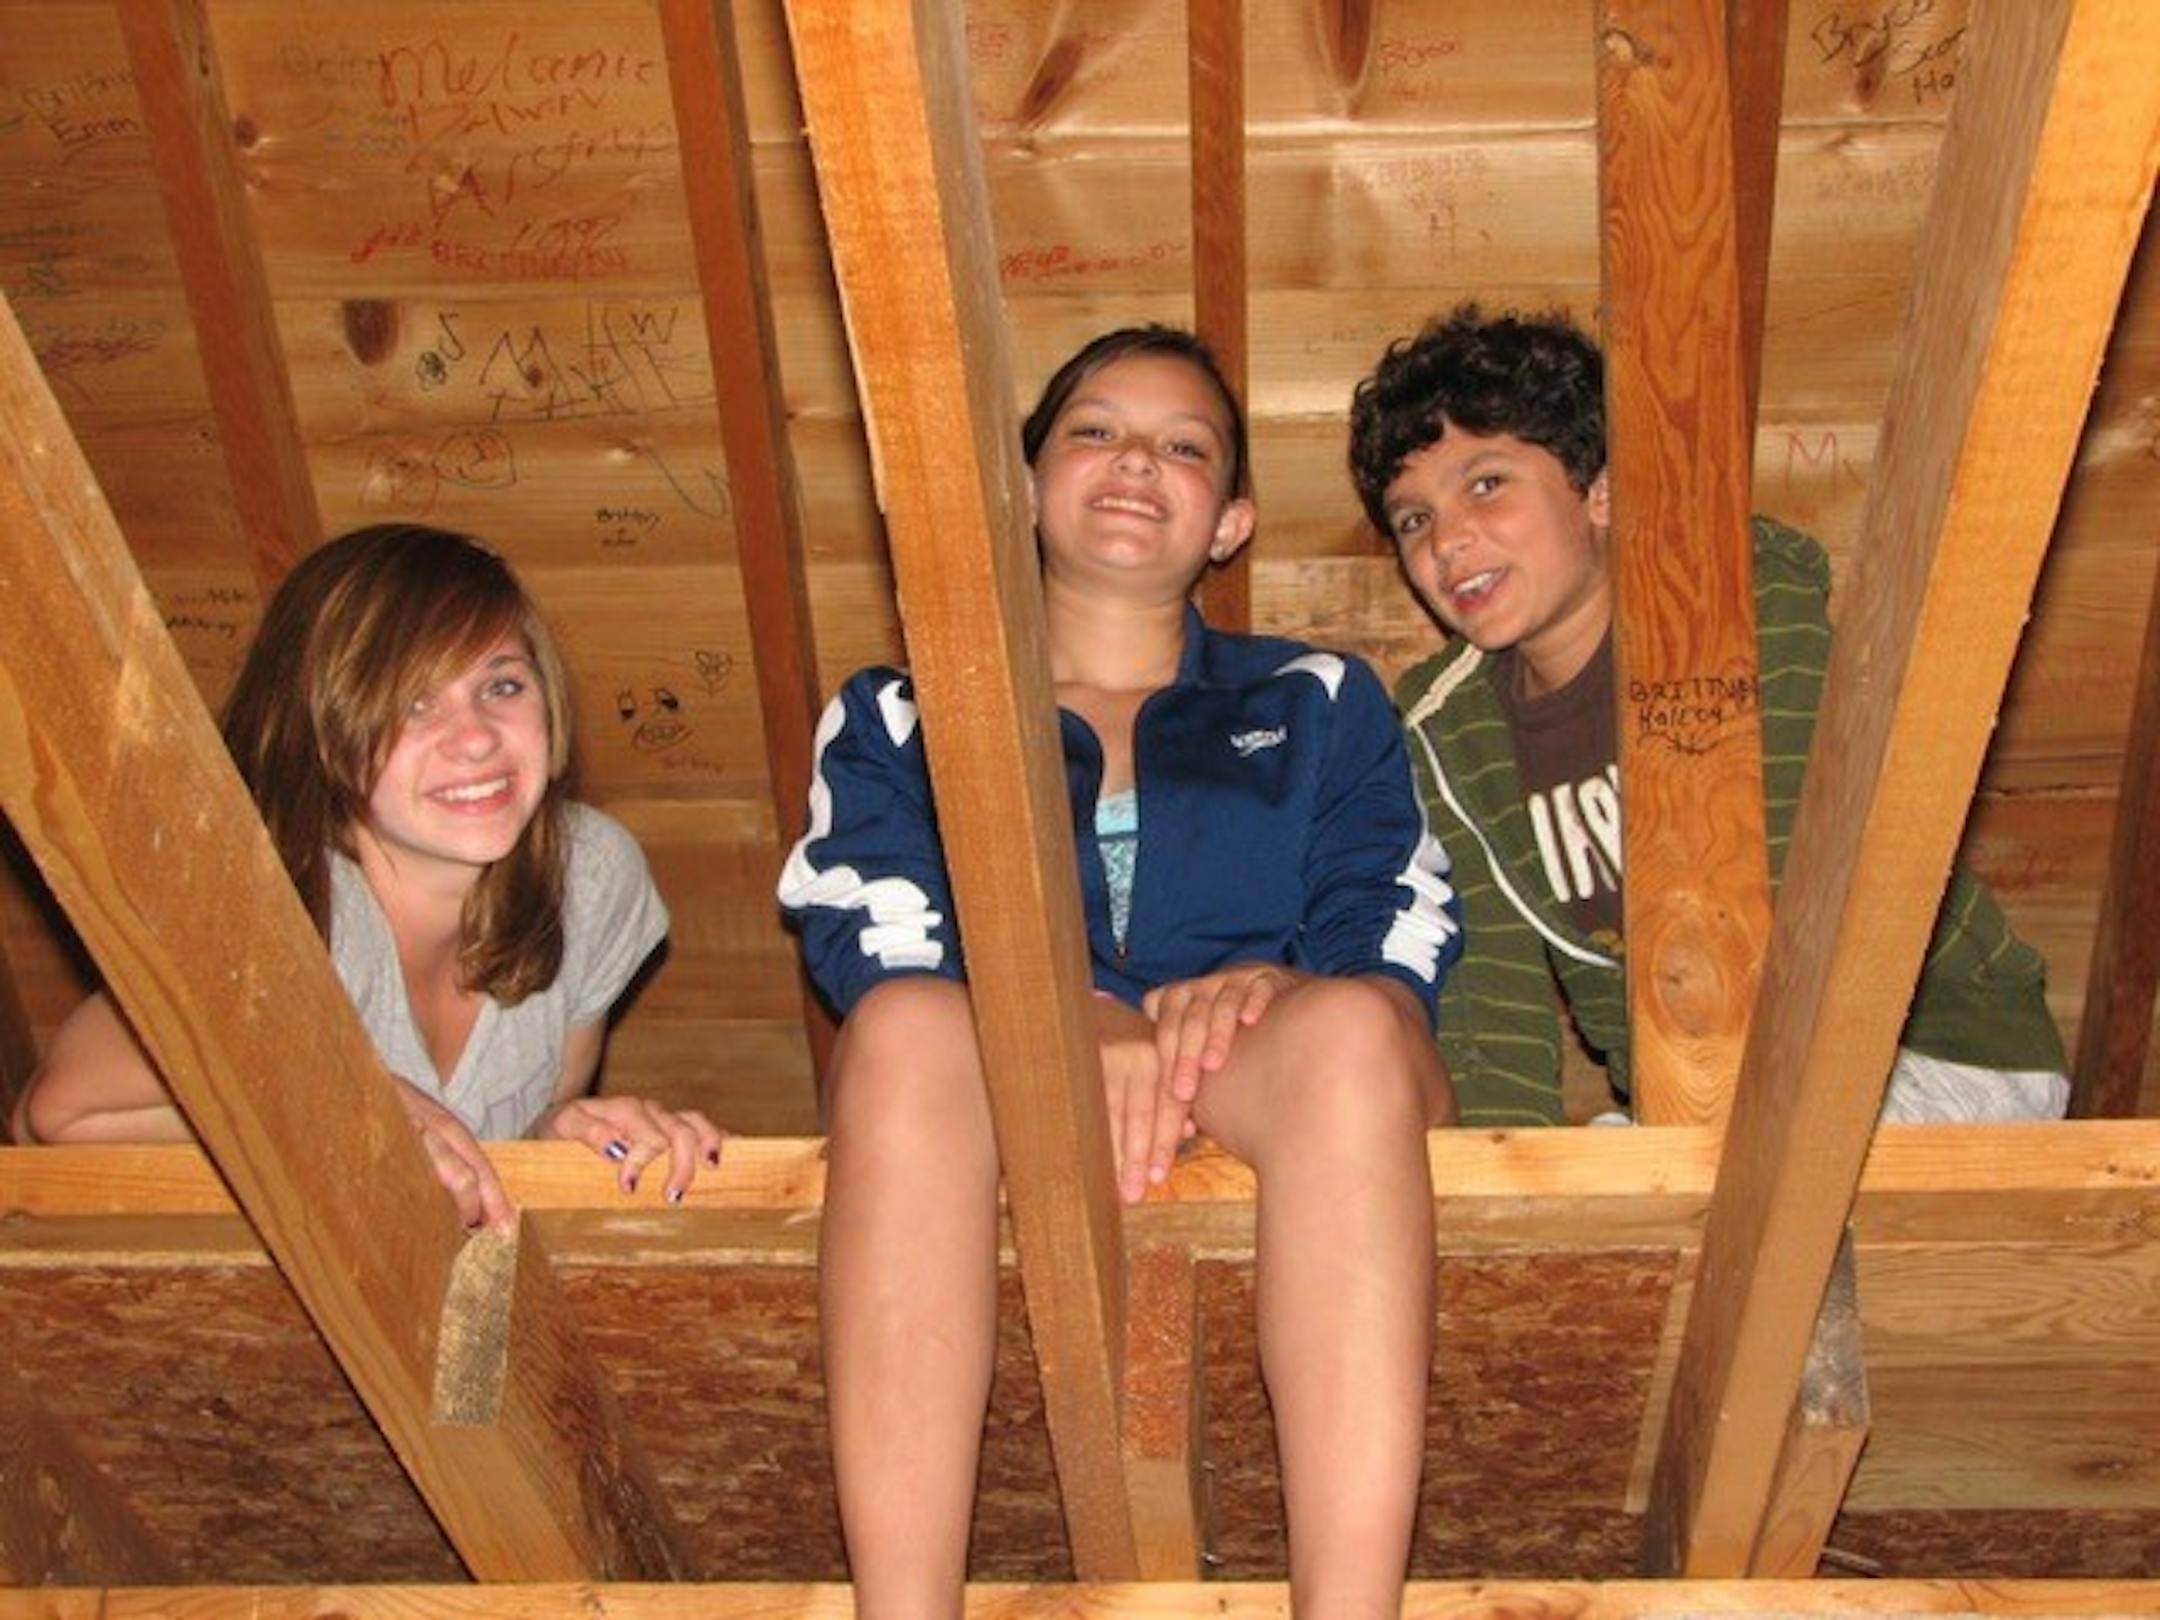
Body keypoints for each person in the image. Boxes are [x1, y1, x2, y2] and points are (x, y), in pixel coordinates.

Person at [780, 326, 1461, 1619]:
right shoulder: (904, 709)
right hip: (985, 1071)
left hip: (1255, 1069)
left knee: (1360, 1033)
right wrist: (1070, 1012)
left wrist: (1283, 990)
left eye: (1184, 445)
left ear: (1231, 520)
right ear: (1026, 481)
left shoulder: (1321, 698)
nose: (1137, 460)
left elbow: (1391, 927)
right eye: (1095, 430)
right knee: (909, 1030)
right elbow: (872, 920)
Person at [1350, 303, 2070, 1128]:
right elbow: (1493, 1010)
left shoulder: (1739, 611)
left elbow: (1808, 874)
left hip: (1929, 1053)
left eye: (1485, 484)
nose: (1448, 540)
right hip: (1690, 1101)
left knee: (1700, 1172)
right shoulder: (1451, 735)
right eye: (1415, 518)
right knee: (1591, 1204)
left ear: (1602, 493)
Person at [10, 524, 722, 1228]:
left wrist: (569, 1135)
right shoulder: (271, 904)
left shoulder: (590, 878)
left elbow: (492, 1161)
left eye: (501, 684)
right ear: (318, 732)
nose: (475, 738)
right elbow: (54, 1116)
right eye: (412, 704)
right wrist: (346, 1101)